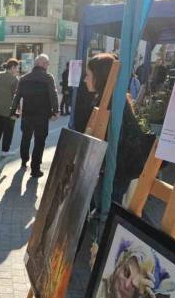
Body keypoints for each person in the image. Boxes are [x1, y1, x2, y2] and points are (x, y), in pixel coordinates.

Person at [77, 53, 154, 202]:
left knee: (108, 209)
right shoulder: (110, 99)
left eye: (88, 75)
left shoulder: (111, 104)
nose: (85, 79)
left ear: (100, 77)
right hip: (116, 172)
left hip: (117, 174)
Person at [10, 54, 59, 178]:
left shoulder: (24, 78)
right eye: (47, 63)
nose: (48, 66)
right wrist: (55, 110)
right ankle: (35, 168)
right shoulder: (48, 78)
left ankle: (24, 160)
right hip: (42, 116)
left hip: (27, 114)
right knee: (40, 141)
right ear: (42, 64)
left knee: (25, 138)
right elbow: (53, 95)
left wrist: (13, 110)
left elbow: (17, 95)